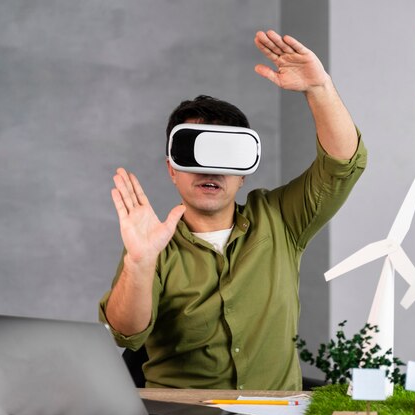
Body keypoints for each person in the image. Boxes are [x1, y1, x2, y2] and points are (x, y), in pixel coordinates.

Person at [98, 29, 367, 390]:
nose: (211, 171)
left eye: (226, 157)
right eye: (196, 154)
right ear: (172, 169)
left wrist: (319, 89)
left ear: (243, 175)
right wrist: (140, 263)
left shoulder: (281, 220)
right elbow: (126, 333)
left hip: (272, 413)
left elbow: (342, 164)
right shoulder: (151, 244)